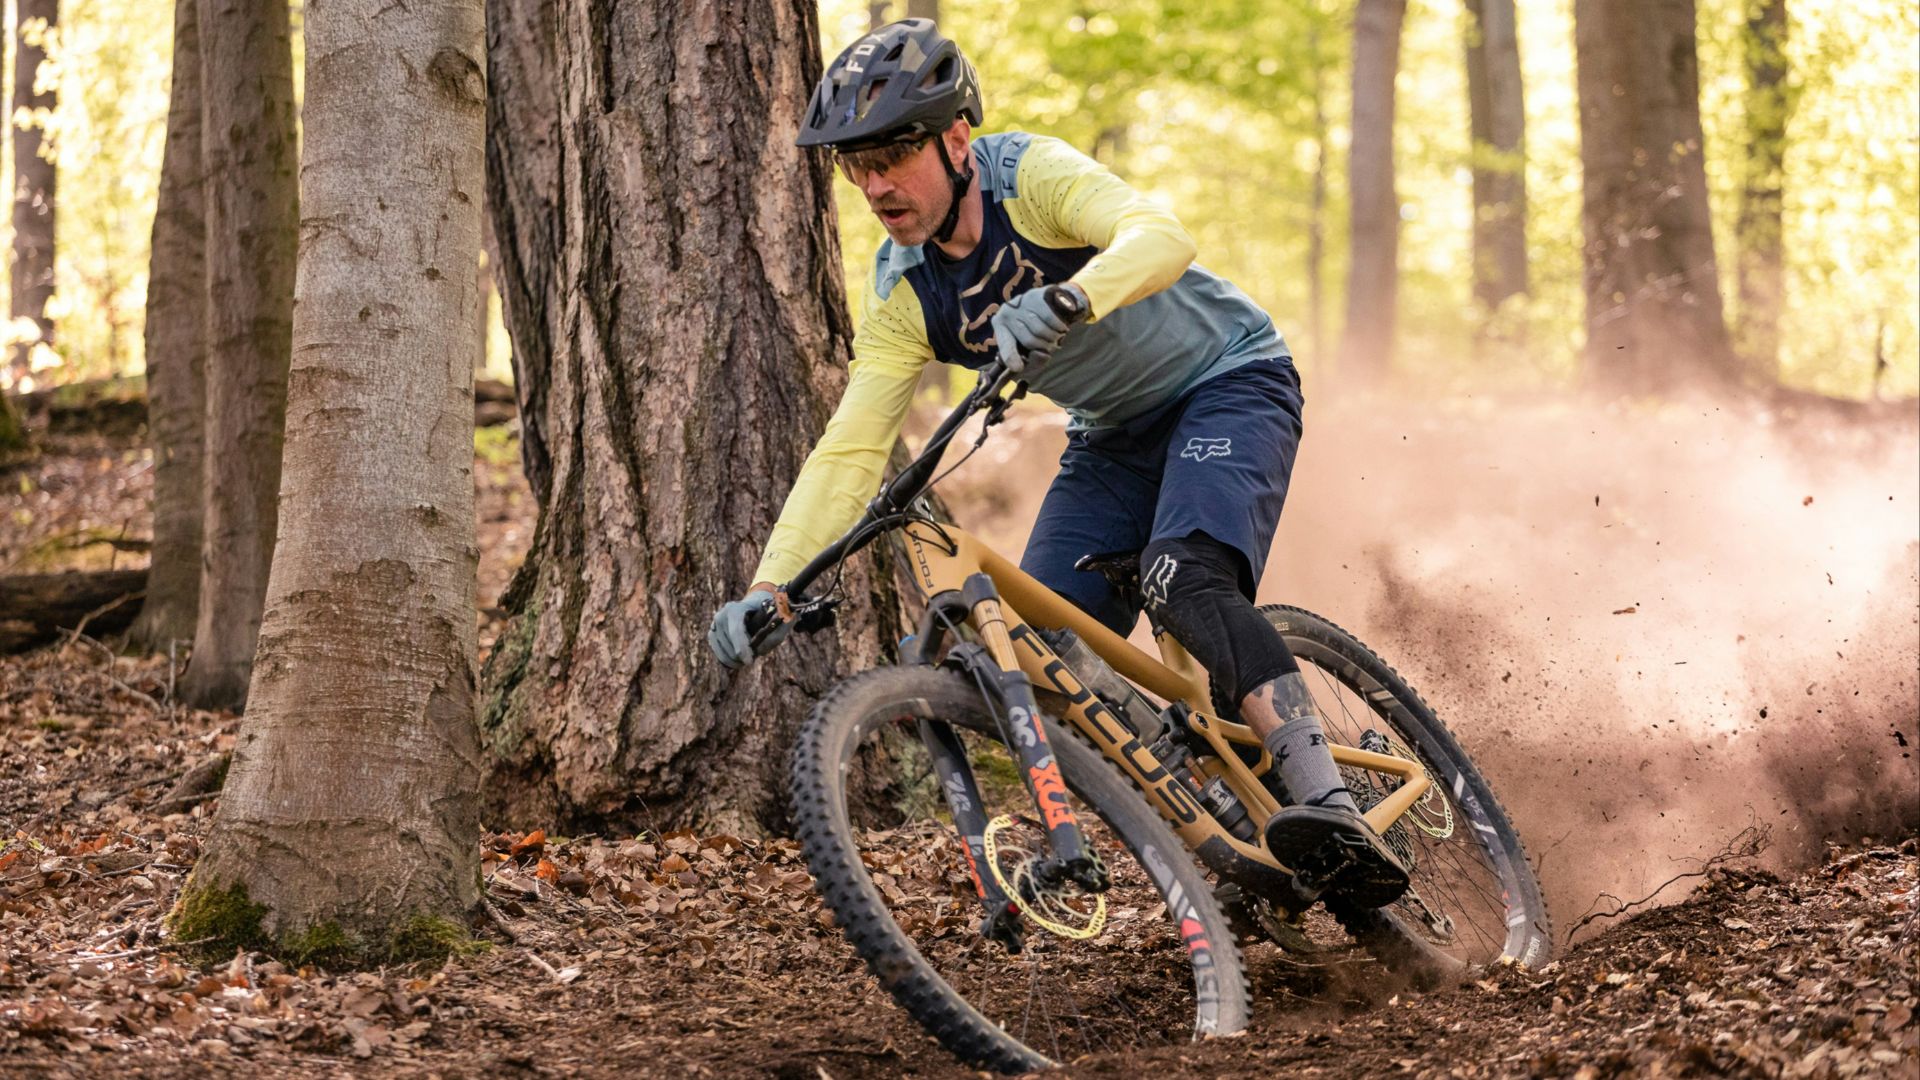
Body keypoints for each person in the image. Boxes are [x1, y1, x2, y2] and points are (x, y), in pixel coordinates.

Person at [707, 19, 1407, 907]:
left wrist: (1071, 294)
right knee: (1037, 651)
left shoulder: (1026, 178)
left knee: (1183, 579)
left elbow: (1160, 237)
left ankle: (1331, 806)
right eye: (857, 164)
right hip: (1111, 434)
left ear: (957, 137)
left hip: (1227, 380)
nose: (876, 183)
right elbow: (850, 445)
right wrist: (775, 582)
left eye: (895, 153)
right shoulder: (905, 293)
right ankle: (1224, 828)